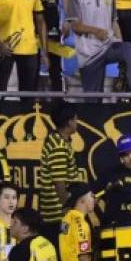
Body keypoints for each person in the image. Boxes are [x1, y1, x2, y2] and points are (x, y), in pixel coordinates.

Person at [37, 101, 79, 241]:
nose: (77, 122)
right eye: (75, 119)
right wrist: (67, 210)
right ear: (69, 122)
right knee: (63, 253)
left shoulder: (57, 140)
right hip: (58, 217)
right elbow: (59, 182)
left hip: (55, 214)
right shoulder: (59, 146)